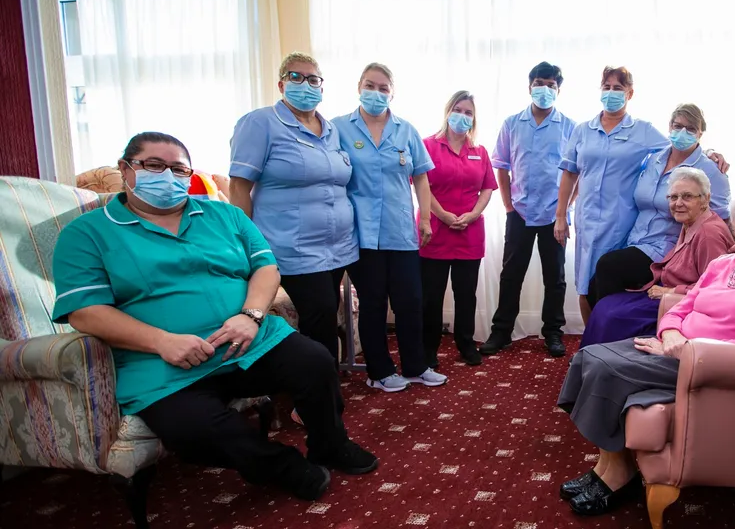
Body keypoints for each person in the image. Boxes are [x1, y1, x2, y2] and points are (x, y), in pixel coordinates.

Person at [52, 132, 377, 503]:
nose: (168, 176)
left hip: (250, 341)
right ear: (126, 169)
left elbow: (266, 268)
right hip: (163, 364)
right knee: (194, 431)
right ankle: (281, 466)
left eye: (178, 169)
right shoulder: (87, 233)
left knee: (316, 362)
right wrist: (162, 341)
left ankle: (330, 445)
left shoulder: (225, 215)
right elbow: (85, 312)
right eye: (154, 166)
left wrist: (251, 316)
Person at [556, 175, 735, 516]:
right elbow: (680, 308)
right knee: (589, 357)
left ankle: (619, 473)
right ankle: (607, 467)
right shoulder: (724, 264)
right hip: (675, 349)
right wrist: (671, 336)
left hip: (711, 362)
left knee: (605, 366)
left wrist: (690, 350)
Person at [555, 67, 729, 324]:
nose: (612, 92)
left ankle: (605, 337)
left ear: (630, 93)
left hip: (636, 232)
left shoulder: (645, 133)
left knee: (606, 272)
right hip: (598, 223)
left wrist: (712, 154)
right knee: (586, 286)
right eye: (608, 86)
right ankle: (595, 340)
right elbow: (571, 173)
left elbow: (718, 211)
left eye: (619, 88)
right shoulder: (652, 159)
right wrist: (561, 215)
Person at [229, 52, 357, 372]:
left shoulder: (331, 130)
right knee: (320, 316)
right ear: (281, 83)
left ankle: (320, 385)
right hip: (292, 245)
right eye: (296, 77)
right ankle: (315, 398)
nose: (305, 85)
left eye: (313, 79)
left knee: (324, 316)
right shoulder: (260, 123)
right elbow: (240, 186)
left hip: (336, 247)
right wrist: (244, 243)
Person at [333, 62, 448, 393]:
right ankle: (378, 371)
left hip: (400, 231)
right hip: (361, 232)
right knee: (372, 303)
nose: (377, 93)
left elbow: (422, 177)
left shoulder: (405, 130)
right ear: (359, 87)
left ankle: (415, 366)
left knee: (410, 300)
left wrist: (425, 218)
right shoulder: (340, 127)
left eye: (384, 88)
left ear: (392, 93)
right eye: (371, 86)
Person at [585, 104, 730, 309]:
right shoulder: (654, 159)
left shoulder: (710, 169)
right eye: (678, 126)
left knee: (609, 266)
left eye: (690, 129)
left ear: (700, 133)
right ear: (670, 126)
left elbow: (720, 218)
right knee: (592, 287)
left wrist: (734, 250)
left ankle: (613, 327)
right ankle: (608, 330)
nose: (682, 133)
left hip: (667, 250)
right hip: (636, 241)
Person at [480, 62, 575, 358]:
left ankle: (553, 333)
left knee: (555, 277)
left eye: (550, 84)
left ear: (558, 90)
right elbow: (502, 168)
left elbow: (577, 173)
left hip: (553, 216)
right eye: (539, 83)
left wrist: (565, 209)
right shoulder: (511, 123)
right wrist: (508, 207)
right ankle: (501, 332)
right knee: (511, 275)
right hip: (519, 212)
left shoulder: (570, 127)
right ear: (529, 86)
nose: (544, 89)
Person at [579, 167, 734, 348]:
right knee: (605, 304)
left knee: (611, 314)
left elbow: (714, 290)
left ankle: (608, 363)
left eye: (687, 196)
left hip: (679, 301)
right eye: (673, 197)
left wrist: (670, 292)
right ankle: (593, 359)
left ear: (706, 199)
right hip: (664, 290)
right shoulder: (690, 223)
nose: (678, 203)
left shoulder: (709, 233)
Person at [420, 91, 498, 367]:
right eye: (458, 110)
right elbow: (422, 185)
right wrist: (441, 214)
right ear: (447, 111)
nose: (463, 116)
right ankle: (428, 349)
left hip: (469, 232)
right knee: (431, 296)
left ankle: (465, 343)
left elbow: (488, 186)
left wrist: (473, 214)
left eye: (468, 112)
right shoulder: (427, 145)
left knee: (466, 294)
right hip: (435, 232)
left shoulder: (479, 151)